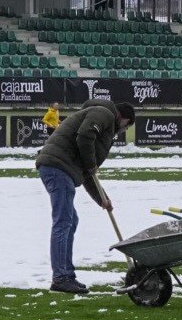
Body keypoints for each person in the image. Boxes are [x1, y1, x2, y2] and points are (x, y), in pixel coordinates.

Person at [35, 100, 136, 294]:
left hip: (59, 168)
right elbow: (85, 136)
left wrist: (102, 199)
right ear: (124, 119)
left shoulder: (104, 128)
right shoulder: (104, 113)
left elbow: (89, 172)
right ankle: (60, 278)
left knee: (70, 221)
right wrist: (90, 164)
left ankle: (67, 275)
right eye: (127, 126)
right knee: (63, 221)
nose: (123, 130)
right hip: (58, 167)